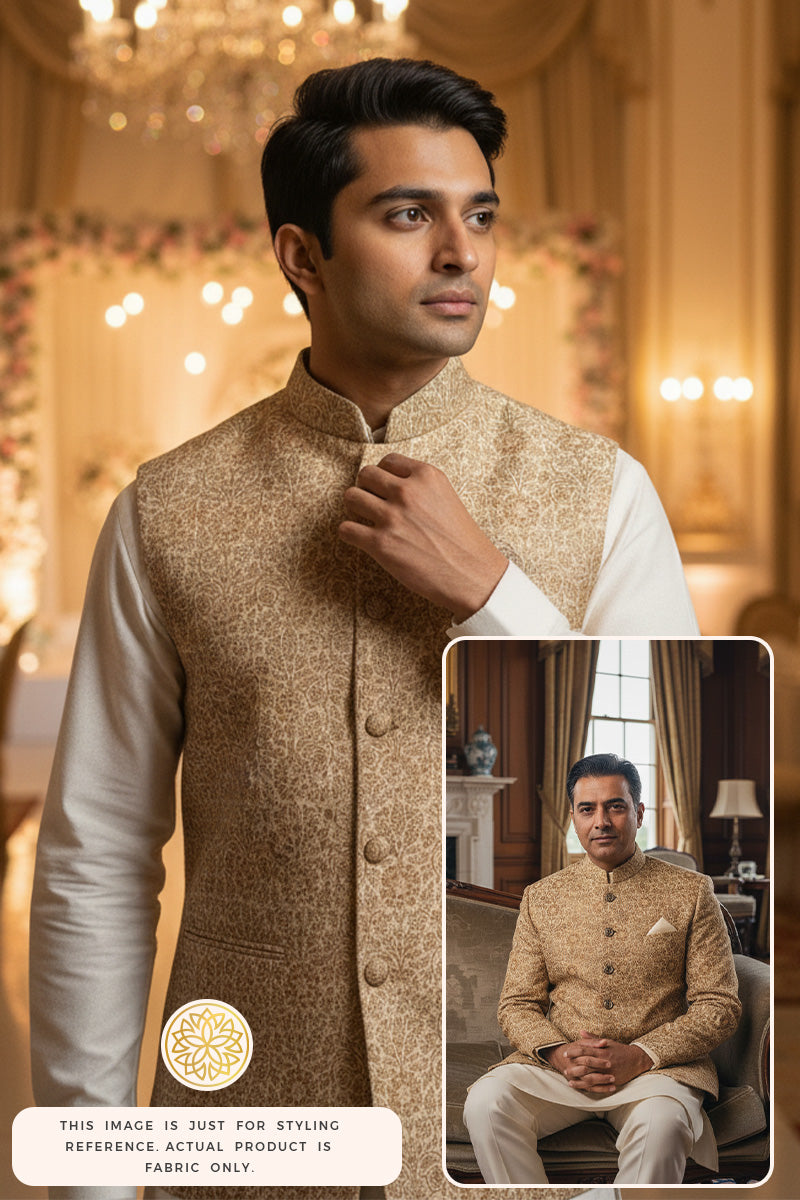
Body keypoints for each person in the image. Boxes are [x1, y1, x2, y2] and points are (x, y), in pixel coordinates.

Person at [29, 59, 696, 1200]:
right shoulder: (167, 510)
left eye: (477, 216)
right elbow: (95, 859)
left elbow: (675, 826)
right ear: (302, 255)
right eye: (407, 215)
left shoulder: (602, 492)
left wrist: (490, 590)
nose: (461, 252)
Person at [463, 753, 742, 1186]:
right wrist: (557, 1052)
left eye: (615, 806)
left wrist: (639, 1055)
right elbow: (517, 1004)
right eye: (587, 809)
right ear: (573, 817)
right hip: (560, 1071)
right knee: (485, 1104)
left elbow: (718, 1005)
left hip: (657, 1071)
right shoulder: (542, 897)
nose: (602, 821)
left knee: (662, 1126)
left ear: (638, 812)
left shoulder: (691, 892)